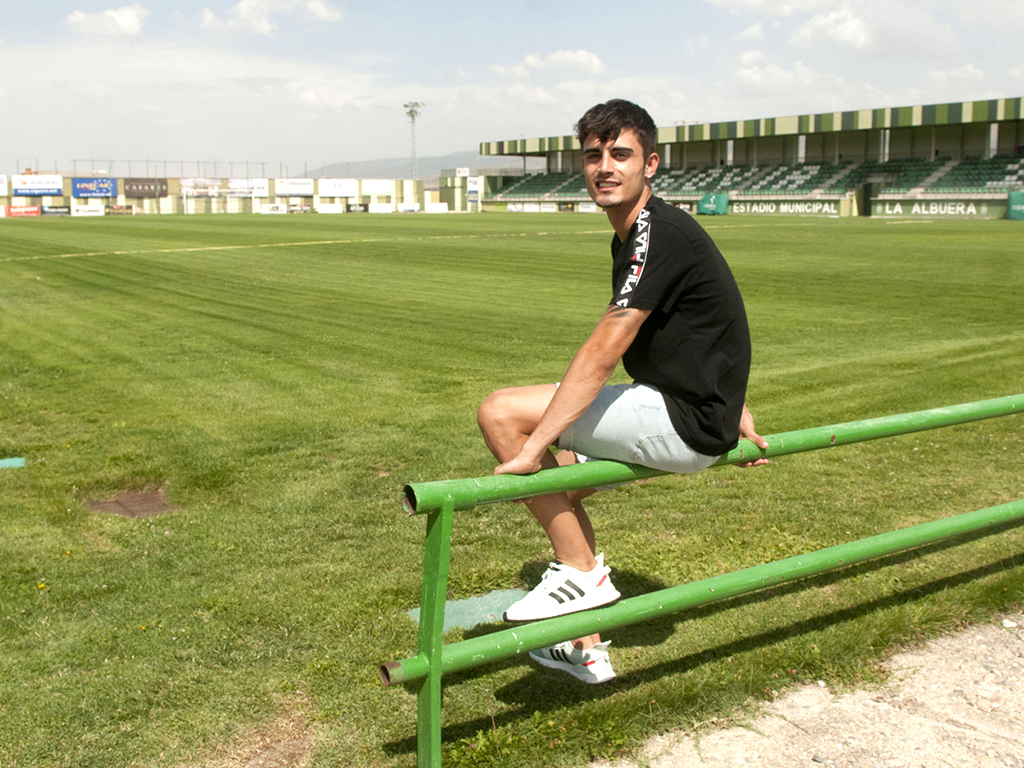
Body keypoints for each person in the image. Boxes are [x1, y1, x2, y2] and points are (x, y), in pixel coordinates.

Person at [477, 99, 768, 685]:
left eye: (621, 154)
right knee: (562, 476)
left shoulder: (659, 231)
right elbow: (710, 323)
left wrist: (534, 446)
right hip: (691, 410)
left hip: (682, 424)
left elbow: (606, 347)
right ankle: (581, 645)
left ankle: (582, 577)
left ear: (650, 164)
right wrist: (733, 402)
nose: (605, 166)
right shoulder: (641, 231)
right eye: (593, 155)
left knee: (504, 414)